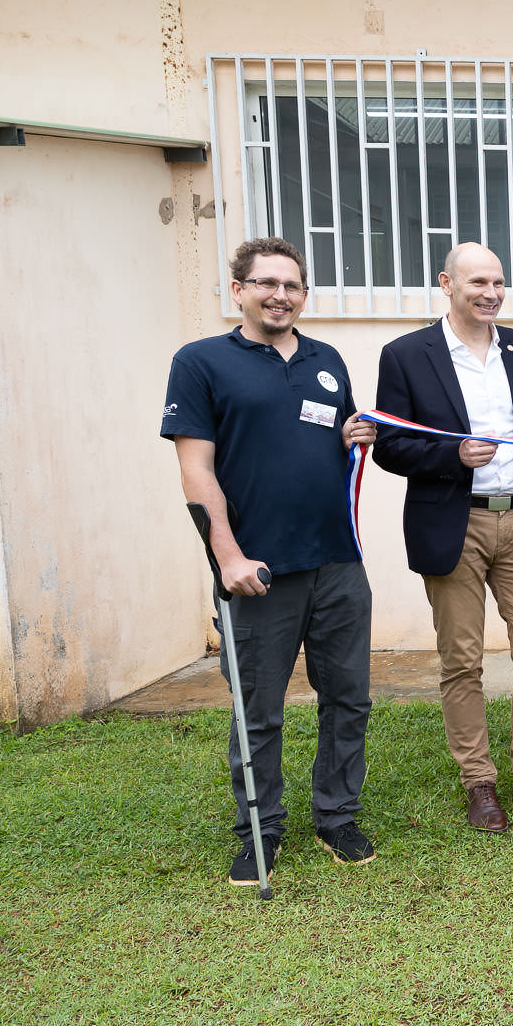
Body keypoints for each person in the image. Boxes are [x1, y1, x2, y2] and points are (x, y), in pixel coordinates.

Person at [161, 237, 377, 883]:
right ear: (239, 290)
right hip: (258, 571)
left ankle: (336, 815)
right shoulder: (201, 362)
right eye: (267, 283)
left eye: (291, 285)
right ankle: (261, 828)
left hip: (337, 562)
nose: (280, 295)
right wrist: (227, 556)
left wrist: (349, 436)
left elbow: (321, 441)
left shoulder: (326, 360)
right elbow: (195, 468)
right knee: (260, 708)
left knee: (349, 699)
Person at [371, 242, 513, 833]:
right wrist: (452, 455)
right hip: (453, 523)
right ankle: (479, 782)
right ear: (447, 284)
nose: (491, 293)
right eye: (479, 281)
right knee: (461, 662)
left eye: (499, 282)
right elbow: (388, 445)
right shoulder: (407, 355)